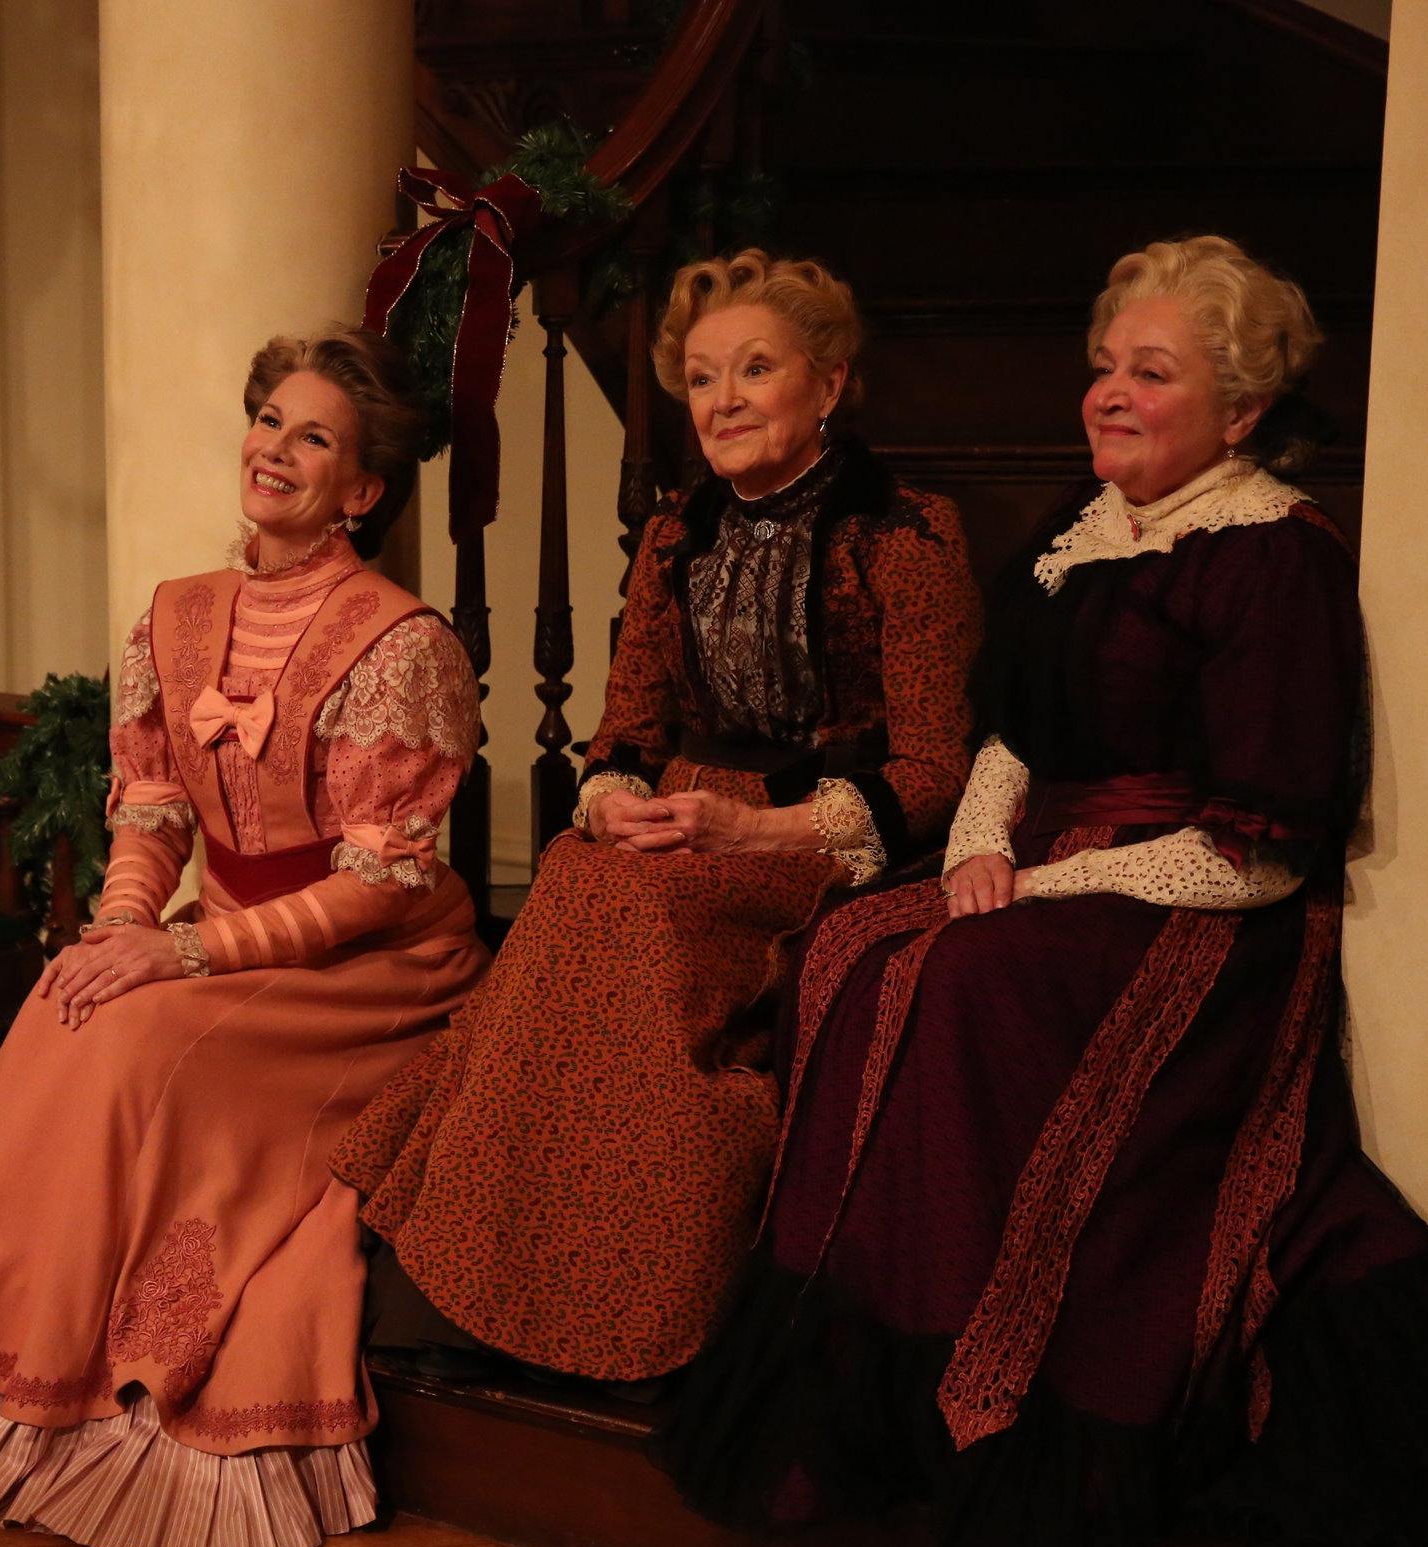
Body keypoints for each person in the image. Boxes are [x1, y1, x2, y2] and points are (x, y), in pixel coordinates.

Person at [655, 237, 1428, 1547]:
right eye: (1104, 366)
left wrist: (1053, 889)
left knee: (955, 985)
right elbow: (1013, 729)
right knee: (854, 952)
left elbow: (1260, 841)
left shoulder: (1271, 555)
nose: (1110, 393)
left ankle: (992, 1386)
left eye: (1153, 370)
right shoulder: (1085, 537)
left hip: (1199, 900)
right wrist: (974, 850)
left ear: (1243, 408)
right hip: (1053, 872)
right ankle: (876, 1396)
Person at [0, 329, 485, 1547]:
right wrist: (120, 925)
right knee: (71, 1001)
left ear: (363, 488)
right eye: (269, 418)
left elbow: (380, 882)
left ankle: (102, 1374)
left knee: (135, 1041)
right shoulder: (175, 613)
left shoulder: (402, 641)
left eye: (313, 435)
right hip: (222, 939)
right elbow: (152, 805)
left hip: (368, 972)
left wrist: (192, 957)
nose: (274, 447)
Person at [332, 249, 980, 1386]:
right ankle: (461, 1298)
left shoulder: (907, 534)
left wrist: (756, 833)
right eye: (700, 377)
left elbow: (932, 767)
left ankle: (618, 1306)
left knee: (620, 910)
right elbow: (623, 727)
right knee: (586, 878)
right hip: (679, 815)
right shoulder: (678, 531)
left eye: (755, 370)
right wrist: (615, 798)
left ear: (826, 385)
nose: (721, 400)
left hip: (815, 835)